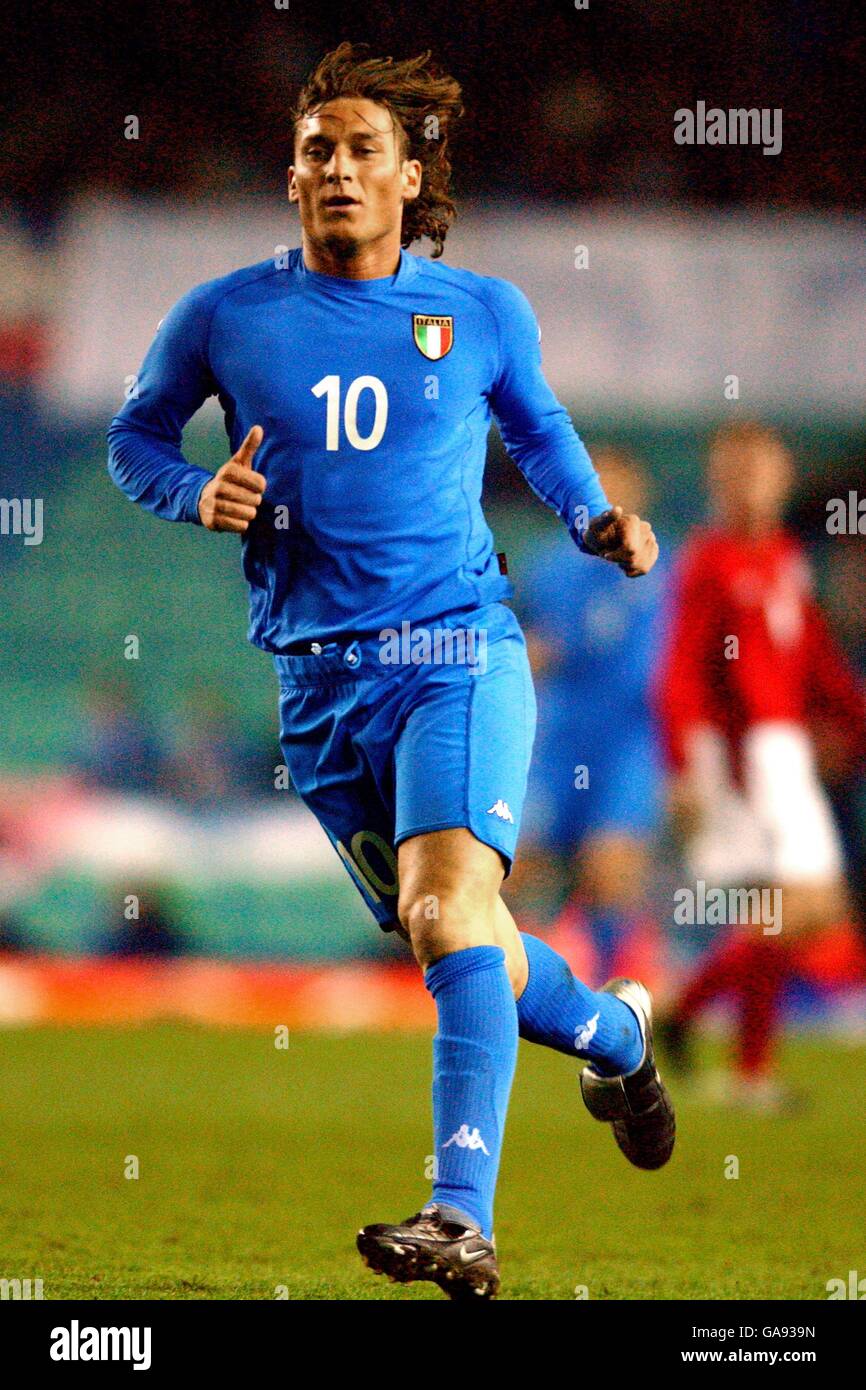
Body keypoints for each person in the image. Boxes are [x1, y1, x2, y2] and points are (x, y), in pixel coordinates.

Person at [107, 42, 673, 1300]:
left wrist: (591, 520)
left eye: (364, 150)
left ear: (411, 176)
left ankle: (457, 1216)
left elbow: (538, 425)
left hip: (453, 652)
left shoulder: (477, 310)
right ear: (290, 178)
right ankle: (619, 1035)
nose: (338, 169)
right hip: (313, 687)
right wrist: (195, 489)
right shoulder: (222, 314)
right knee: (458, 936)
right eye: (316, 151)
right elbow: (132, 436)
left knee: (443, 910)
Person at [657, 421, 865, 1110]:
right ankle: (701, 1027)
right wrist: (683, 762)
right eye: (735, 471)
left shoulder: (783, 556)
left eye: (761, 470)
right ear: (718, 482)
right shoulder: (709, 560)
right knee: (803, 906)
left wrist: (855, 723)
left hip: (787, 749)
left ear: (781, 479)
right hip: (741, 754)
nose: (749, 483)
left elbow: (813, 659)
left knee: (783, 915)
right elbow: (682, 668)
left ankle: (718, 1047)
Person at [516, 447, 672, 991]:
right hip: (560, 740)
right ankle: (516, 989)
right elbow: (532, 650)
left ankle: (616, 1002)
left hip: (630, 740)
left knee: (610, 869)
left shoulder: (667, 570)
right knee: (514, 870)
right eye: (599, 489)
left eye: (621, 489)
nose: (610, 501)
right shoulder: (550, 567)